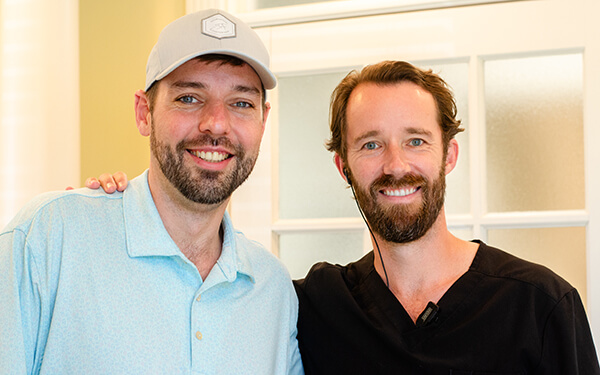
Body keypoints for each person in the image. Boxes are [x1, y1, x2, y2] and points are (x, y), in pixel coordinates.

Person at [87, 61, 600, 374]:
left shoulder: (540, 306)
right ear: (343, 166)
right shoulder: (314, 306)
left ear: (449, 156)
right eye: (371, 144)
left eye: (416, 141)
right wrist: (115, 208)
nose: (395, 164)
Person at [0, 9, 303, 375]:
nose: (216, 124)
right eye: (189, 98)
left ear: (262, 120)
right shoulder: (48, 240)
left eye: (241, 103)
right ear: (144, 113)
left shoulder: (273, 289)